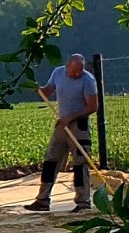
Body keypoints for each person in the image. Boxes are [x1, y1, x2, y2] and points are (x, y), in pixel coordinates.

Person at [25, 53, 100, 212]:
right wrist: (40, 91)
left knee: (80, 163)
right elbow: (48, 90)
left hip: (79, 125)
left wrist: (71, 117)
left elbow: (92, 107)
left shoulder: (88, 80)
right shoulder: (57, 73)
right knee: (51, 160)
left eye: (80, 71)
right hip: (61, 124)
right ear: (67, 66)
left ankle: (83, 201)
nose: (77, 74)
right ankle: (43, 199)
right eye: (74, 72)